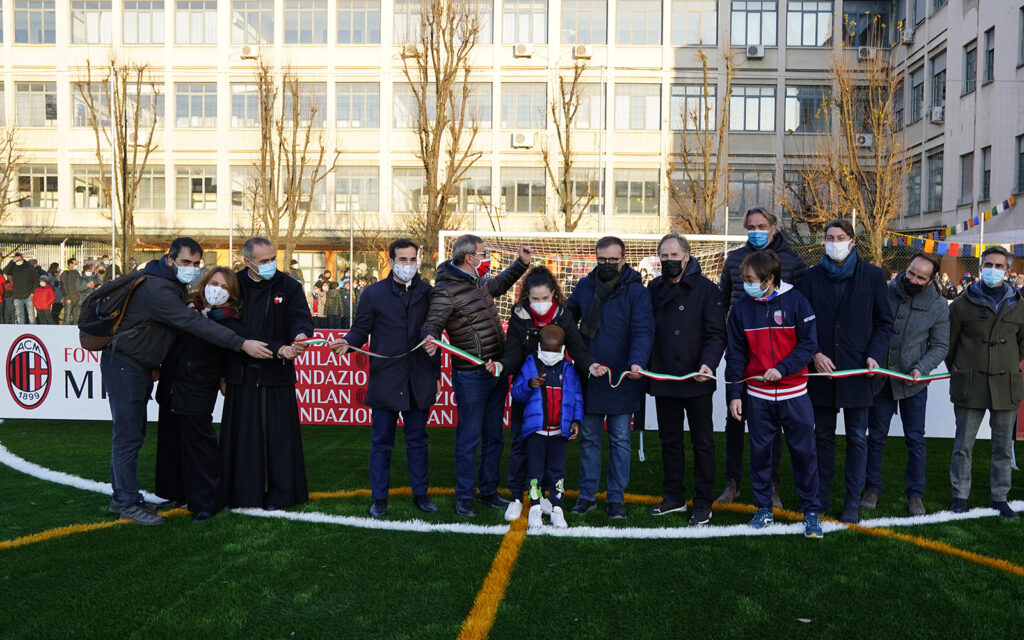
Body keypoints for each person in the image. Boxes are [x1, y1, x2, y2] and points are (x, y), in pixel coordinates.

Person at [101, 237, 273, 525]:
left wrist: (229, 365)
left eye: (196, 264)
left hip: (192, 389)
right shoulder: (173, 297)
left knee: (184, 443)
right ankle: (129, 499)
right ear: (170, 260)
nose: (191, 269)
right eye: (186, 263)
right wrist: (241, 344)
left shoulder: (207, 309)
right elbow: (185, 328)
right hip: (156, 379)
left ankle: (195, 500)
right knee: (131, 436)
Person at [421, 234, 532, 516]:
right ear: (469, 258)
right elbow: (432, 322)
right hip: (471, 375)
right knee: (470, 438)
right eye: (483, 253)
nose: (487, 257)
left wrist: (521, 264)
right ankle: (465, 497)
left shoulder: (477, 282)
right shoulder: (445, 290)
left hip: (497, 370)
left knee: (494, 436)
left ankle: (489, 492)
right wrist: (430, 338)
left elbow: (498, 285)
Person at [331, 239, 441, 517]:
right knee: (382, 442)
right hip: (386, 379)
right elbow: (361, 329)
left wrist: (435, 369)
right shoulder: (373, 293)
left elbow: (434, 332)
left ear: (419, 260)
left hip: (419, 377)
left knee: (418, 440)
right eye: (402, 260)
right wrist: (347, 342)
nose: (408, 265)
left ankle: (421, 495)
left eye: (412, 260)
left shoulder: (428, 293)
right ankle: (379, 498)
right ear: (390, 262)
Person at [491, 265, 603, 522]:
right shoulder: (519, 315)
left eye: (544, 298)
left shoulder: (564, 316)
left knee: (553, 453)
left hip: (557, 394)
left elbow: (577, 348)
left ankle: (546, 498)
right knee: (520, 445)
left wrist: (590, 365)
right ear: (526, 297)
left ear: (553, 293)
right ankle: (518, 498)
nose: (540, 304)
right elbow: (512, 353)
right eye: (534, 299)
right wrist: (502, 366)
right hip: (528, 391)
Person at [799, 219, 893, 523]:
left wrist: (874, 356)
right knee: (822, 437)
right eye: (829, 237)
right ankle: (821, 498)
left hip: (858, 372)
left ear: (852, 241)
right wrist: (814, 353)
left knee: (857, 438)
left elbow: (885, 323)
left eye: (840, 237)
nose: (834, 241)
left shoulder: (874, 276)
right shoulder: (811, 277)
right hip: (822, 372)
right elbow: (801, 322)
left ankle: (852, 502)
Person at [726, 250, 823, 538]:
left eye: (750, 279)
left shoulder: (797, 302)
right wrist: (734, 393)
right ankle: (763, 509)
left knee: (804, 454)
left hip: (795, 394)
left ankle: (811, 513)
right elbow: (735, 355)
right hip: (758, 397)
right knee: (760, 455)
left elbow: (808, 346)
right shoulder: (741, 308)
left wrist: (782, 369)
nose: (745, 284)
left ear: (770, 279)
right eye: (744, 279)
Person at [717, 206, 808, 506]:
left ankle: (771, 487)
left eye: (761, 225)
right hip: (741, 352)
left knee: (772, 428)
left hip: (775, 362)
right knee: (734, 419)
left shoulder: (793, 260)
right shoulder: (733, 259)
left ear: (773, 227)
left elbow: (802, 307)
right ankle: (733, 482)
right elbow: (723, 301)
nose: (755, 230)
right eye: (750, 226)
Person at [220, 237, 313, 510]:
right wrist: (276, 348)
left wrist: (300, 336)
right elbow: (230, 325)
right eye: (264, 261)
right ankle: (242, 495)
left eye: (273, 258)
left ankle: (283, 496)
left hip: (277, 376)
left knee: (281, 440)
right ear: (247, 262)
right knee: (243, 439)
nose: (271, 264)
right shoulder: (233, 285)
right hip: (241, 375)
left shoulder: (290, 286)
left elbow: (301, 318)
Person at [565, 236, 654, 520]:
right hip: (590, 374)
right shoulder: (584, 285)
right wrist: (583, 357)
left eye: (612, 260)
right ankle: (587, 495)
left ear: (624, 259)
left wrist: (637, 363)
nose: (606, 264)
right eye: (601, 259)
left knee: (620, 440)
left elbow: (643, 330)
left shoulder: (637, 291)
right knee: (589, 438)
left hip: (623, 377)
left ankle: (616, 498)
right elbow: (567, 320)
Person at [646, 233, 725, 525]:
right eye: (664, 257)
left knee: (703, 443)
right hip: (664, 376)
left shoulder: (707, 290)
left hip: (697, 379)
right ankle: (674, 497)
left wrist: (708, 365)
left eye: (674, 256)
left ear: (687, 257)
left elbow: (716, 334)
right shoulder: (653, 288)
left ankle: (703, 502)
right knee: (669, 441)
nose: (669, 261)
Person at [155, 267, 245, 523]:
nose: (217, 289)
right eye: (214, 283)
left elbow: (230, 352)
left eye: (225, 287)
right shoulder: (185, 309)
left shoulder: (230, 320)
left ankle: (207, 501)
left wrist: (225, 376)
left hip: (199, 384)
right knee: (171, 439)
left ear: (233, 294)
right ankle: (176, 491)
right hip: (172, 381)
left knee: (199, 443)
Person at [863, 253, 949, 516]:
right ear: (906, 267)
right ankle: (871, 489)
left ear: (931, 279)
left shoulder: (938, 305)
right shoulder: (883, 292)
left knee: (915, 440)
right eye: (911, 272)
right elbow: (868, 328)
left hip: (914, 385)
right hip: (880, 382)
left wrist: (921, 368)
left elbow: (940, 346)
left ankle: (915, 495)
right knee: (875, 439)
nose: (912, 279)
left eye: (920, 277)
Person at [947, 246, 1024, 518]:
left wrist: (1006, 365)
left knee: (1003, 447)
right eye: (988, 264)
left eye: (999, 265)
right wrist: (960, 370)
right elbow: (950, 346)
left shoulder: (1020, 305)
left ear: (1008, 269)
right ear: (980, 268)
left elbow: (1021, 345)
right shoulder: (960, 305)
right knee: (963, 445)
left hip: (1006, 386)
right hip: (970, 385)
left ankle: (1000, 496)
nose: (993, 269)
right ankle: (959, 495)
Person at [510, 325, 583, 528]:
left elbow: (577, 398)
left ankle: (557, 509)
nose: (550, 354)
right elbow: (516, 393)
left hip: (560, 432)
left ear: (562, 348)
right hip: (536, 432)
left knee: (557, 471)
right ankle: (535, 508)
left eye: (554, 350)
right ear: (539, 346)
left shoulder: (569, 369)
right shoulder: (530, 365)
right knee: (535, 471)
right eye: (546, 349)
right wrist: (528, 385)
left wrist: (576, 421)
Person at [4, 253, 39, 324]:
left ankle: (32, 328)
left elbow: (36, 280)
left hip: (28, 295)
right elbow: (5, 271)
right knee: (19, 315)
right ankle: (21, 328)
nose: (18, 260)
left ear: (22, 259)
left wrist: (33, 292)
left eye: (19, 258)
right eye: (16, 259)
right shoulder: (13, 267)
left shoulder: (29, 268)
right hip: (17, 295)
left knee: (31, 314)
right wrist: (12, 261)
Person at [60, 257, 82, 325]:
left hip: (77, 298)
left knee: (77, 317)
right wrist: (67, 297)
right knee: (67, 316)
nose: (76, 265)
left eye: (76, 264)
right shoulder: (65, 274)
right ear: (70, 264)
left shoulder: (77, 274)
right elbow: (63, 286)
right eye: (75, 264)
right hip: (69, 299)